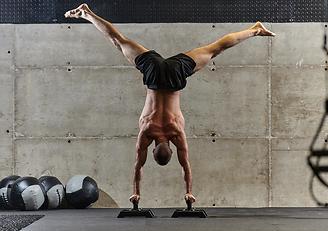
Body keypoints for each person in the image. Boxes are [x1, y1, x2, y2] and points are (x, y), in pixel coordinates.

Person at [65, 4, 276, 205]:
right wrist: (136, 191)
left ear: (171, 151)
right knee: (119, 42)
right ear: (153, 148)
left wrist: (189, 192)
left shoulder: (177, 133)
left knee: (215, 49)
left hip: (175, 76)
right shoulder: (146, 132)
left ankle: (255, 30)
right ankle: (87, 14)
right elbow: (138, 166)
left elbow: (185, 167)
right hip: (154, 75)